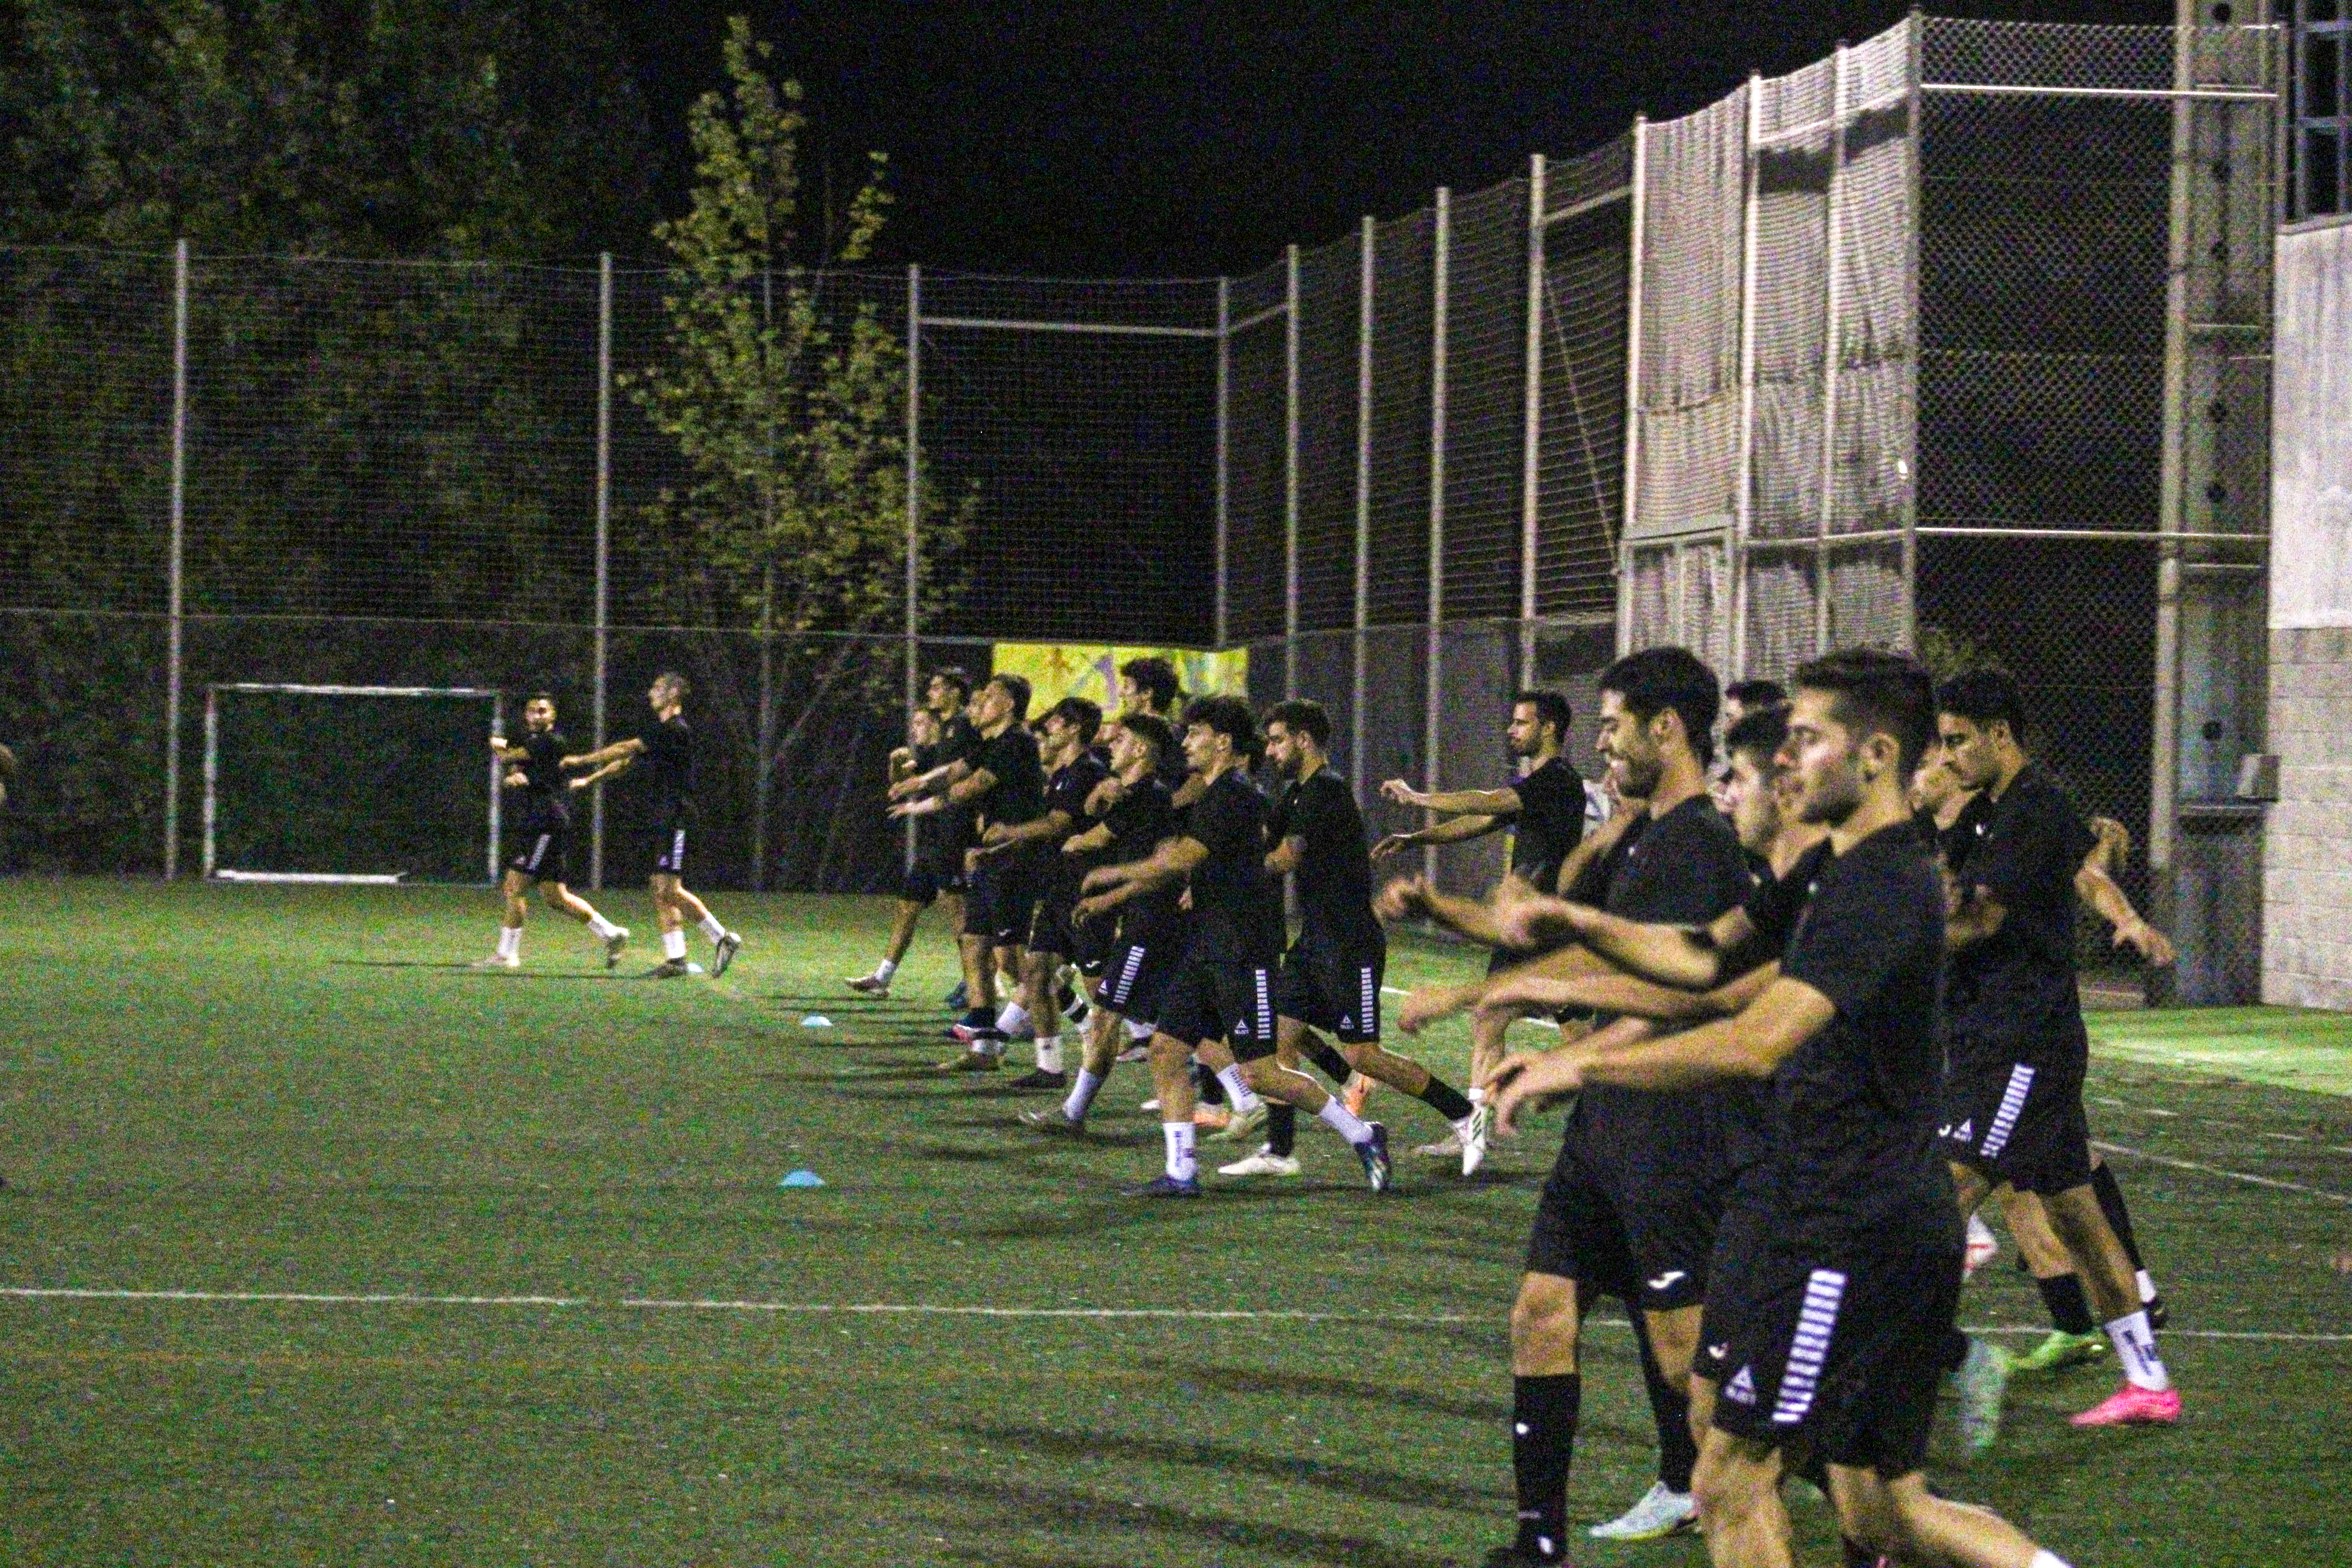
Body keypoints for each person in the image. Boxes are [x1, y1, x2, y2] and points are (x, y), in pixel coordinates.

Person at [1487, 649, 2084, 1568]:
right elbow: (1702, 960)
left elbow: (1755, 1039)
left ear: (1876, 752)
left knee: (1732, 1468)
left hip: (1849, 1224)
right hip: (1839, 1215)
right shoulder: (1832, 873)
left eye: (1808, 738)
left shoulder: (1880, 886)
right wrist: (1577, 925)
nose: (1787, 758)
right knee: (1887, 1511)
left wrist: (1578, 1071)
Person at [1935, 670, 2179, 1428]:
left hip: (2020, 1045)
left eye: (1956, 742)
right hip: (1999, 1038)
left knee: (1941, 1197)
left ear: (1998, 735)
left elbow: (1976, 923)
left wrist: (1877, 945)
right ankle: (2148, 1383)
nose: (1946, 757)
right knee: (2074, 1208)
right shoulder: (1991, 811)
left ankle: (1908, 1362)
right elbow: (2088, 870)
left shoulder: (2033, 807)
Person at [1076, 696, 1390, 1196]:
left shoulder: (1234, 795)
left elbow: (1184, 856)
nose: (1185, 743)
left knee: (1262, 1072)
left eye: (1195, 733)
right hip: (1206, 943)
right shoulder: (1217, 793)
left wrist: (1116, 873)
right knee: (1165, 1048)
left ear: (1223, 741)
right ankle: (1181, 1172)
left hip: (1245, 949)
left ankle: (1362, 1134)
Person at [1218, 699, 1488, 1180]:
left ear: (1304, 740)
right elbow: (1263, 835)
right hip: (1314, 940)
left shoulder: (1328, 791)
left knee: (1364, 1055)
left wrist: (1233, 874)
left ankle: (1465, 1115)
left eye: (1279, 740)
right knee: (1281, 1037)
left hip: (1350, 943)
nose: (1272, 751)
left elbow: (1286, 855)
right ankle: (1281, 1151)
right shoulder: (1297, 794)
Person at [1372, 690, 1586, 1148]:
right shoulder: (1540, 787)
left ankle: (1611, 1121)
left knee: (1576, 1035)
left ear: (1549, 729)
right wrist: (1417, 839)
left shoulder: (1558, 779)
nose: (1511, 731)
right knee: (1495, 1020)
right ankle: (1475, 1131)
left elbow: (1486, 802)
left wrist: (1418, 797)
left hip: (1545, 926)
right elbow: (1481, 822)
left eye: (1522, 723)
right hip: (1529, 925)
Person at [1025, 712, 1189, 1133]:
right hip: (1143, 916)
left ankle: (1074, 1114)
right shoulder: (1138, 794)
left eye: (1120, 741)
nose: (1110, 747)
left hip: (1150, 921)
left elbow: (1096, 842)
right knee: (1177, 1022)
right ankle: (1244, 1095)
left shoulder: (1146, 797)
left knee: (1111, 1016)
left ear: (1139, 750)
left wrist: (1108, 891)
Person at [890, 672, 1046, 1068]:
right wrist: (917, 786)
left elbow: (970, 786)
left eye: (991, 696)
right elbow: (956, 770)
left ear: (1009, 705)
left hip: (1018, 858)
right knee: (976, 944)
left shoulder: (1018, 743)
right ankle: (982, 1047)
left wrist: (920, 802)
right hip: (991, 857)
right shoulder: (990, 743)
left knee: (1013, 960)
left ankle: (1069, 1019)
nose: (983, 702)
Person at [968, 696, 1108, 1089]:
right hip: (1056, 888)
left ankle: (1180, 1048)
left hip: (1082, 892)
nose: (1048, 729)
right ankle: (1050, 1067)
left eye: (1055, 723)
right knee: (1035, 971)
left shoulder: (1087, 771)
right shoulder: (1062, 773)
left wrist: (1009, 832)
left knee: (1105, 995)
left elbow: (1059, 823)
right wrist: (995, 849)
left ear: (1075, 727)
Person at [563, 673, 741, 978]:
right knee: (661, 889)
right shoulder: (661, 732)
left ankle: (722, 938)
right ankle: (676, 961)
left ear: (673, 694)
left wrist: (581, 760)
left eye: (657, 688)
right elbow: (626, 763)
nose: (650, 693)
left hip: (677, 816)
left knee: (670, 888)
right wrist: (590, 780)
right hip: (664, 816)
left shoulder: (675, 730)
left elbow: (624, 749)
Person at [473, 693, 628, 971]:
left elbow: (510, 754)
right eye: (532, 711)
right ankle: (611, 934)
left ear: (553, 716)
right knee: (555, 896)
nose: (536, 716)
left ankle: (507, 954)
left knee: (514, 886)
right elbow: (515, 756)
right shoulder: (533, 741)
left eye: (543, 711)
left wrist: (500, 752)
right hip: (544, 822)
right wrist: (513, 769)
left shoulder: (552, 742)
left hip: (546, 822)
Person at [848, 668, 979, 996]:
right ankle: (883, 977)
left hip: (955, 833)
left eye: (938, 686)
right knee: (908, 904)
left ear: (955, 692)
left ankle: (979, 982)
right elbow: (905, 781)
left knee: (958, 910)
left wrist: (919, 783)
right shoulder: (946, 733)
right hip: (935, 840)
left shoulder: (963, 725)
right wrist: (899, 767)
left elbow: (960, 773)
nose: (932, 691)